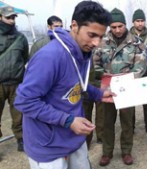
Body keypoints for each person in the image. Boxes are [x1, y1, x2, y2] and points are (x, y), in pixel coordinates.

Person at [13, 1, 113, 168]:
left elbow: (74, 85)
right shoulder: (50, 56)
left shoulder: (82, 52)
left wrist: (99, 93)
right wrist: (68, 121)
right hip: (49, 147)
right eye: (92, 35)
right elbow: (24, 101)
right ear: (74, 25)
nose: (97, 43)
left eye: (101, 37)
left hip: (74, 139)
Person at [93, 8, 146, 166]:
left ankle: (126, 151)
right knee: (107, 123)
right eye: (113, 27)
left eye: (120, 26)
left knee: (127, 123)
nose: (117, 30)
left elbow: (140, 67)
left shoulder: (136, 42)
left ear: (125, 24)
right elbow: (95, 64)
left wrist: (125, 80)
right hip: (108, 89)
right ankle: (107, 152)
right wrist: (105, 78)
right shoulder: (101, 42)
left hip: (127, 89)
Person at [0, 5, 28, 152]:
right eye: (8, 18)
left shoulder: (21, 38)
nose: (11, 21)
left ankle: (21, 139)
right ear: (0, 18)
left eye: (13, 18)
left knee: (19, 115)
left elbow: (24, 58)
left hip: (16, 83)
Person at [130, 9, 147, 136]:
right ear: (133, 22)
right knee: (130, 103)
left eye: (142, 21)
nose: (140, 23)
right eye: (137, 21)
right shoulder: (127, 35)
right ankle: (131, 126)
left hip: (146, 72)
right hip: (131, 73)